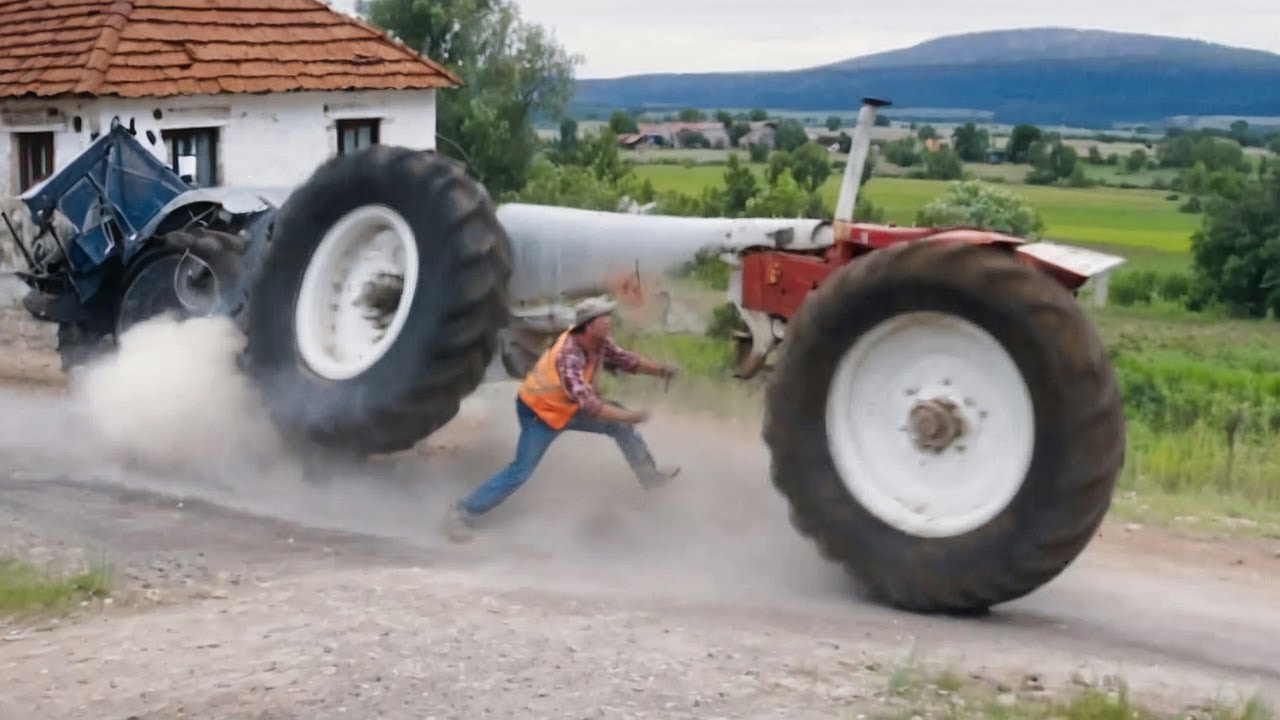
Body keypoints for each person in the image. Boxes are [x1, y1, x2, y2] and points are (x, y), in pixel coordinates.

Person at [444, 296, 680, 541]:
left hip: (567, 407)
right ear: (589, 325)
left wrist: (660, 370)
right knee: (520, 471)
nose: (610, 320)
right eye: (605, 317)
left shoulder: (598, 341)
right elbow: (591, 406)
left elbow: (625, 360)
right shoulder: (568, 355)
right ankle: (462, 512)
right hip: (541, 414)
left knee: (620, 425)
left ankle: (650, 477)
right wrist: (631, 416)